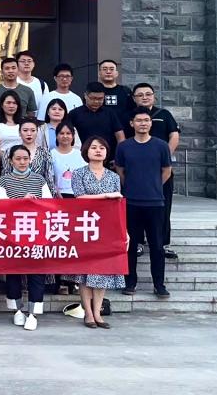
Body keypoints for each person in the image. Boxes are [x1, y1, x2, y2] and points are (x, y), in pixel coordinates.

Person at [68, 136, 126, 328]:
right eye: (93, 147)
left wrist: (124, 230)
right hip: (85, 226)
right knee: (85, 271)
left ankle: (98, 313)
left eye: (102, 147)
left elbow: (118, 205)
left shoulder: (113, 176)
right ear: (86, 151)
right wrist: (106, 196)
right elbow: (79, 197)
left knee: (103, 271)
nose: (98, 150)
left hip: (107, 228)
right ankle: (88, 313)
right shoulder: (79, 173)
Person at [116, 107, 173, 298]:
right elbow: (120, 171)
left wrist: (154, 185)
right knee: (131, 245)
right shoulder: (124, 146)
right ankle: (130, 282)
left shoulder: (161, 146)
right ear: (132, 123)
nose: (143, 123)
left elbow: (166, 171)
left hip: (155, 203)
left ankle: (159, 284)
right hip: (131, 202)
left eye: (146, 120)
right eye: (139, 120)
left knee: (157, 246)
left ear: (150, 123)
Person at [0, 145, 53, 331]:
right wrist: (22, 201)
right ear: (11, 160)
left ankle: (33, 313)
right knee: (13, 273)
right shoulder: (4, 181)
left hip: (37, 233)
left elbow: (49, 204)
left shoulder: (39, 179)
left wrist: (34, 202)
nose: (22, 162)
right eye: (18, 158)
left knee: (36, 274)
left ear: (30, 160)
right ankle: (17, 310)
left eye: (25, 158)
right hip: (12, 233)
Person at [130, 83, 181, 259]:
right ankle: (137, 242)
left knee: (163, 208)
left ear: (154, 96)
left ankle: (163, 244)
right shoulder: (130, 115)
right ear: (134, 98)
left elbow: (174, 136)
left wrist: (164, 157)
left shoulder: (164, 114)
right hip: (136, 172)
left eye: (148, 94)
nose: (144, 97)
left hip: (161, 170)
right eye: (140, 95)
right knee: (135, 209)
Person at [68, 82, 125, 164]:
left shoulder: (110, 113)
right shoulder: (74, 114)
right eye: (93, 98)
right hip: (81, 159)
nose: (96, 101)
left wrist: (118, 158)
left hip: (107, 159)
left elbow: (120, 137)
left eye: (100, 99)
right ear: (85, 96)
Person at [2, 119, 55, 195]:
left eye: (33, 130)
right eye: (25, 130)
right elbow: (6, 174)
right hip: (15, 194)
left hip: (38, 194)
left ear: (37, 132)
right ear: (19, 132)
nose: (29, 134)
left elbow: (49, 177)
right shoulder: (9, 151)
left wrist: (51, 196)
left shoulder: (45, 152)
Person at [50, 122, 85, 198]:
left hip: (78, 196)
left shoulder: (80, 155)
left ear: (73, 136)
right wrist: (57, 192)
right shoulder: (50, 155)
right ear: (56, 136)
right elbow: (50, 178)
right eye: (61, 133)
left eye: (68, 133)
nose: (65, 136)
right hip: (58, 196)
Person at [0, 90, 24, 156]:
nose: (11, 106)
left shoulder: (23, 122)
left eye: (14, 103)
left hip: (22, 159)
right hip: (3, 159)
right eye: (8, 103)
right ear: (2, 105)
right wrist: (6, 161)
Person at [97, 59, 133, 126]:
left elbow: (132, 110)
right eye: (104, 69)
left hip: (124, 129)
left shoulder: (126, 91)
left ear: (116, 73)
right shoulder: (94, 91)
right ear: (99, 73)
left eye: (111, 69)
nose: (108, 72)